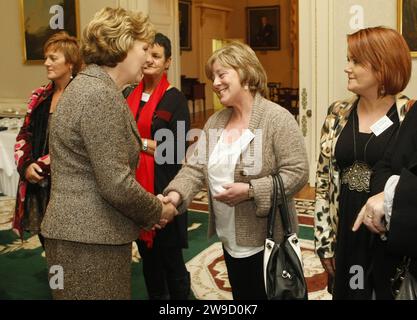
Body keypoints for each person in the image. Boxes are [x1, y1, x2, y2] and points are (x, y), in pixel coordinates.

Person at [40, 7, 178, 300]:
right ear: (122, 45)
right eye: (143, 48)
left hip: (78, 235)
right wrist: (158, 209)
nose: (146, 57)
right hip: (89, 240)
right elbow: (115, 183)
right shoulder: (99, 96)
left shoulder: (87, 88)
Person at [162, 41, 309, 300]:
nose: (215, 83)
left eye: (221, 75)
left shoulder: (277, 118)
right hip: (229, 240)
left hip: (266, 242)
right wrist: (174, 196)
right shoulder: (216, 121)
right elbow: (195, 168)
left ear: (245, 73)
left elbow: (297, 172)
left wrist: (251, 191)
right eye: (213, 77)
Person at [314, 26, 412, 300]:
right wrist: (324, 241)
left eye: (356, 61)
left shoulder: (410, 116)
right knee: (351, 291)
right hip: (346, 227)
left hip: (386, 234)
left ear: (383, 67)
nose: (347, 68)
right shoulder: (337, 113)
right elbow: (323, 181)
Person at [125, 33, 191, 300]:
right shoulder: (127, 93)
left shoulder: (175, 100)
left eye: (157, 56)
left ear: (168, 62)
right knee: (149, 260)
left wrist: (137, 142)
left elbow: (174, 149)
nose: (149, 60)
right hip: (133, 189)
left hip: (164, 189)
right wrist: (148, 144)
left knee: (171, 260)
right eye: (147, 54)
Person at [13, 31, 82, 248]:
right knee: (47, 238)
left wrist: (42, 166)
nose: (46, 63)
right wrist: (26, 166)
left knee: (70, 243)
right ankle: (58, 280)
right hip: (39, 183)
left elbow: (78, 145)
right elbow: (25, 135)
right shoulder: (39, 96)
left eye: (53, 58)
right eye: (46, 58)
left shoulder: (82, 96)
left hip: (70, 186)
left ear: (70, 63)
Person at [352, 99, 417, 299]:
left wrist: (392, 196)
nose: (348, 70)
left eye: (357, 64)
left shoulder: (401, 109)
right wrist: (384, 196)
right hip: (384, 236)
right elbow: (384, 165)